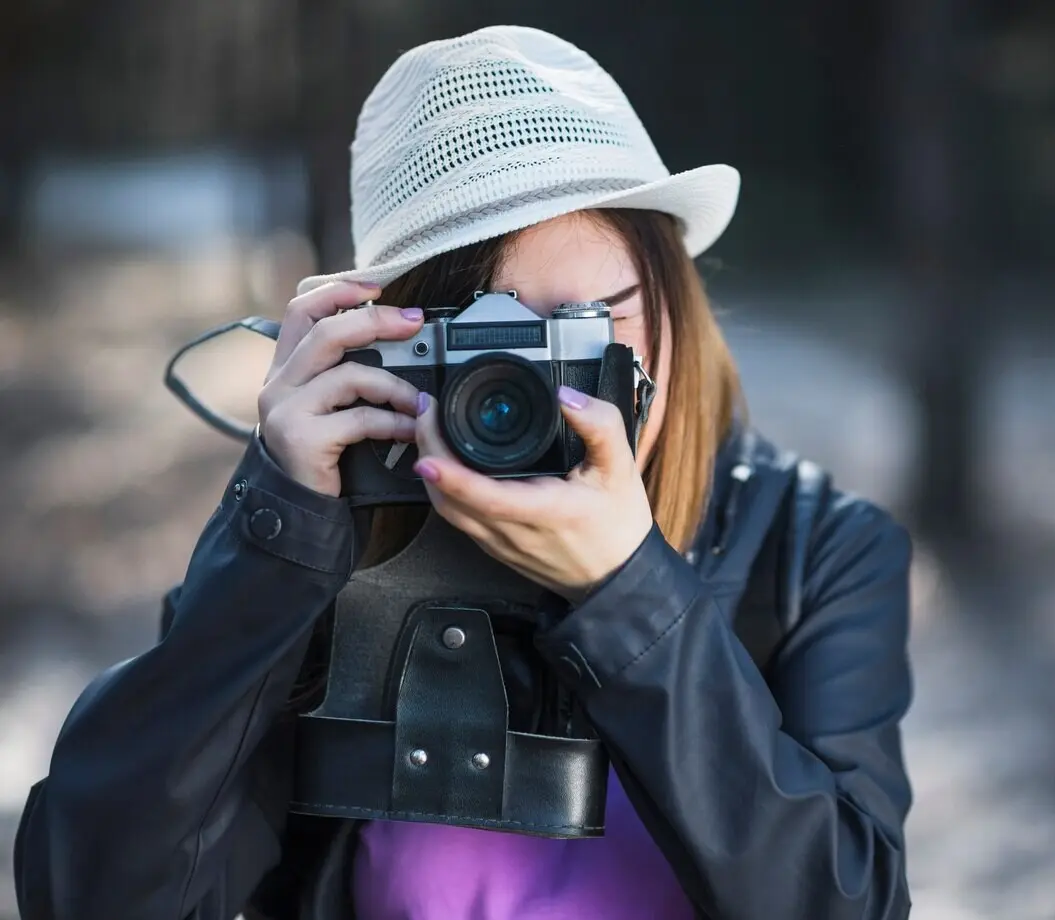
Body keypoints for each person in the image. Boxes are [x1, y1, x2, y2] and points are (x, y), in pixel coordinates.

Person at [14, 26, 914, 920]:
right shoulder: (336, 540)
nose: (527, 392)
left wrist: (629, 592)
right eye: (487, 343)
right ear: (392, 345)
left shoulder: (811, 555)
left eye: (587, 329)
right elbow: (93, 893)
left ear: (675, 297)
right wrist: (277, 533)